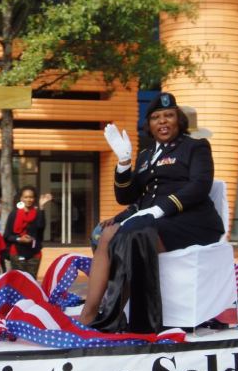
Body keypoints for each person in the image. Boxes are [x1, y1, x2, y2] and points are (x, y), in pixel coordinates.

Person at [78, 93, 224, 332]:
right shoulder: (146, 155)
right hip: (152, 221)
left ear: (179, 120)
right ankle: (89, 314)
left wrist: (158, 210)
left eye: (169, 115)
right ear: (150, 124)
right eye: (156, 117)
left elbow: (199, 187)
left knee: (131, 236)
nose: (163, 121)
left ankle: (123, 318)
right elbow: (126, 197)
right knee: (106, 235)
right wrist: (124, 162)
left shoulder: (195, 147)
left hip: (191, 221)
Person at [3, 186, 52, 279]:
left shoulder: (38, 213)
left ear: (34, 199)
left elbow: (41, 227)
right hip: (17, 254)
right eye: (26, 197)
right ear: (21, 198)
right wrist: (19, 239)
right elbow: (7, 235)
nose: (28, 199)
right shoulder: (14, 214)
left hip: (34, 254)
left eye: (31, 197)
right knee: (18, 282)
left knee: (31, 283)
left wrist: (41, 207)